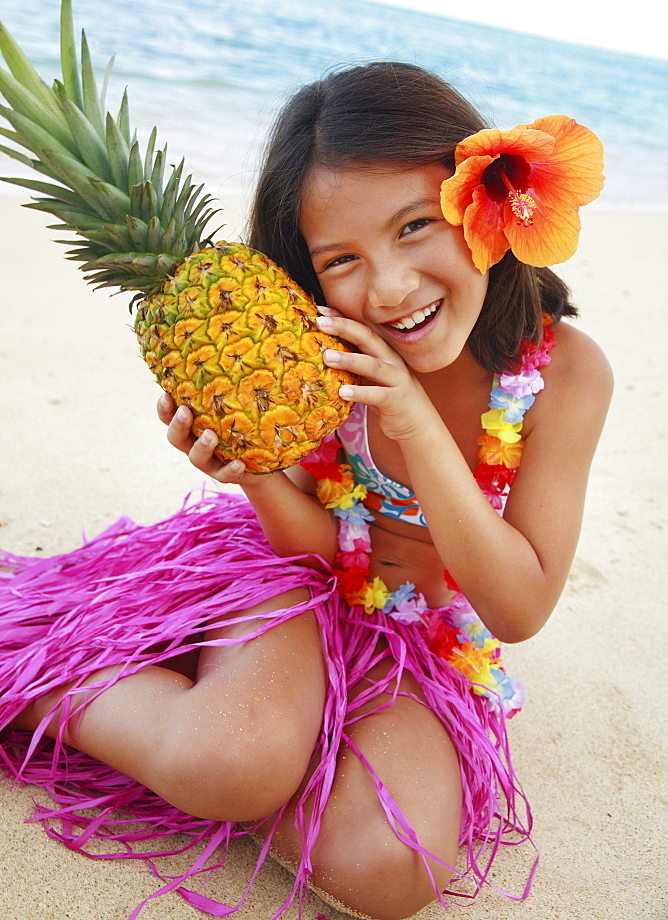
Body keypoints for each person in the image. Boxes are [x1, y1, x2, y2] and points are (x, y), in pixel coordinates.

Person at [0, 62, 612, 920]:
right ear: (305, 274)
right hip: (295, 575)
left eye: (413, 226)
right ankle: (33, 678)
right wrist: (250, 469)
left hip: (423, 637)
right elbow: (319, 546)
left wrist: (416, 425)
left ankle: (233, 719)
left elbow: (517, 609)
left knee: (393, 868)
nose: (390, 287)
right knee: (230, 762)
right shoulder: (316, 350)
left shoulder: (565, 377)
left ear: (482, 205)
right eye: (341, 259)